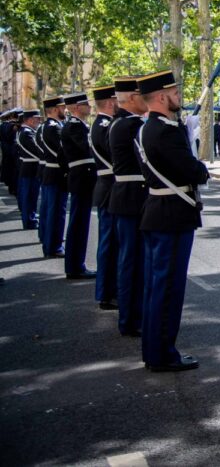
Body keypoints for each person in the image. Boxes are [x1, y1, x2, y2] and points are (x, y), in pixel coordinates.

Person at [131, 71, 210, 371]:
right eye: (175, 92)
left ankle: (154, 350)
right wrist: (198, 161)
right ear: (162, 97)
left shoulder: (148, 128)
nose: (179, 95)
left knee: (156, 287)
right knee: (168, 290)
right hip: (173, 214)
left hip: (157, 209)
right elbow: (192, 170)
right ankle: (163, 354)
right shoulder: (165, 131)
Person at [108, 76, 149, 338]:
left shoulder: (119, 123)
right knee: (133, 262)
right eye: (142, 94)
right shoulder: (132, 126)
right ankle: (131, 317)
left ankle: (130, 315)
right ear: (132, 98)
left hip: (126, 195)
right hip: (133, 196)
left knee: (129, 260)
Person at [60, 92, 98, 280]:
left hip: (82, 177)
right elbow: (87, 148)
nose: (89, 107)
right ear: (75, 107)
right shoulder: (75, 127)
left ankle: (76, 264)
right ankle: (75, 266)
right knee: (78, 224)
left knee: (80, 223)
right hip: (82, 177)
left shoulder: (78, 126)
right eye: (85, 104)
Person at [89, 85, 120, 310]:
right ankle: (107, 293)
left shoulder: (101, 124)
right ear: (110, 102)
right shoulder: (105, 126)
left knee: (110, 243)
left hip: (107, 186)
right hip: (110, 188)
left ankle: (107, 291)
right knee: (110, 244)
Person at [37, 96, 69, 259]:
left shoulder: (44, 126)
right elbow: (62, 151)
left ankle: (48, 241)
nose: (65, 110)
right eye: (63, 108)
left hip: (49, 171)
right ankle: (53, 246)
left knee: (49, 210)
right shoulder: (54, 127)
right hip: (56, 172)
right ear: (55, 109)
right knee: (56, 212)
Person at [15, 110, 43, 231]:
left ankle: (30, 219)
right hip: (30, 168)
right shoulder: (27, 133)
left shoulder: (26, 131)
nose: (38, 121)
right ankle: (29, 221)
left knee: (31, 196)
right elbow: (35, 150)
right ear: (31, 119)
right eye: (37, 119)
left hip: (28, 167)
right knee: (29, 197)